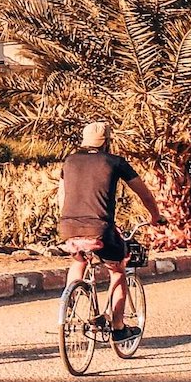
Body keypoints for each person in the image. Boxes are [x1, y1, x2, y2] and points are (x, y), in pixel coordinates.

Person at [56, 121, 163, 342]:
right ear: (107, 142)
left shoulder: (69, 161)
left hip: (68, 226)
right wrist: (155, 216)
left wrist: (68, 222)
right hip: (100, 229)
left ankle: (70, 304)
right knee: (118, 269)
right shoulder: (115, 162)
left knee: (79, 262)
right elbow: (144, 194)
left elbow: (61, 196)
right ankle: (118, 327)